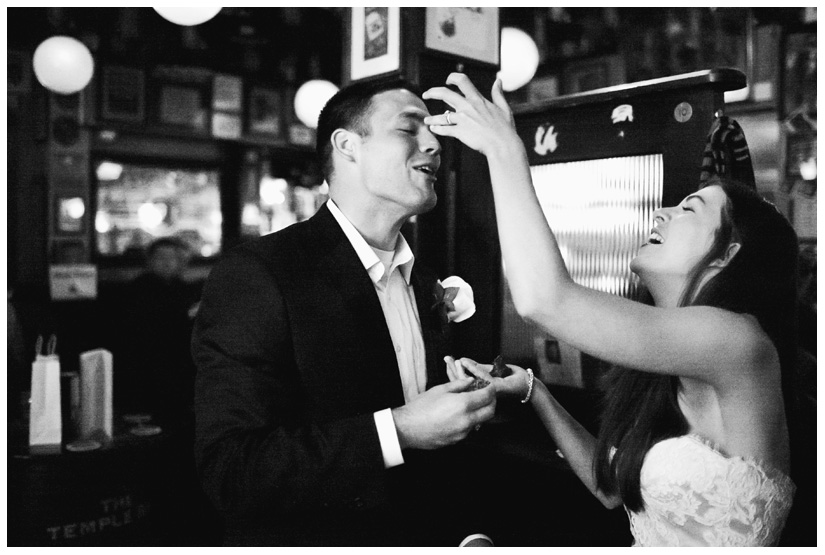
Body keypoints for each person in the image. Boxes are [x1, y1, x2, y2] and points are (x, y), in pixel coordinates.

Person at [423, 73, 800, 547]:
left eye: (689, 209)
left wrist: (505, 149)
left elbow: (544, 298)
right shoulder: (670, 364)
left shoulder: (739, 341)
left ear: (727, 255)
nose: (661, 214)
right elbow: (610, 489)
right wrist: (533, 390)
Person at [191, 78, 497, 546]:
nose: (434, 143)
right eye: (410, 128)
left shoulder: (423, 277)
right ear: (347, 145)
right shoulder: (260, 274)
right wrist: (399, 430)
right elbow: (233, 469)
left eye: (433, 130)